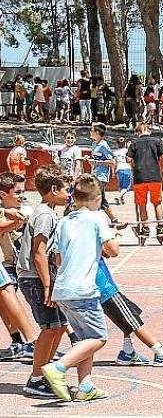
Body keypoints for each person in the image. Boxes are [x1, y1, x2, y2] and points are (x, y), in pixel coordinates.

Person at [42, 174, 118, 402]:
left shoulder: (64, 221)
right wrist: (112, 233)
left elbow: (57, 258)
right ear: (97, 198)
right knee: (98, 337)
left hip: (64, 288)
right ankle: (58, 367)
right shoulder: (97, 218)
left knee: (85, 338)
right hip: (83, 288)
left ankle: (85, 385)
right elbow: (113, 250)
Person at [17, 165, 71, 398]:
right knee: (49, 328)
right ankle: (36, 378)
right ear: (53, 189)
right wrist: (48, 286)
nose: (69, 194)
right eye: (66, 189)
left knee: (59, 326)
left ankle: (46, 372)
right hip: (35, 278)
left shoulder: (50, 212)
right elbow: (38, 253)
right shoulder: (44, 215)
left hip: (44, 277)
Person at [97, 251, 163, 366]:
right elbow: (112, 250)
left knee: (128, 317)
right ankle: (161, 353)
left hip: (98, 287)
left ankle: (128, 353)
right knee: (133, 321)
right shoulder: (90, 239)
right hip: (105, 288)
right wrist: (109, 240)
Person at [0, 172, 37, 362]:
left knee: (6, 294)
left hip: (24, 264)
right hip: (9, 263)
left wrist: (16, 218)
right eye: (17, 192)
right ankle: (28, 342)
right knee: (6, 294)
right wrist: (15, 219)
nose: (21, 196)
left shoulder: (24, 209)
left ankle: (28, 342)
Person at [127, 123, 163, 240]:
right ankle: (160, 226)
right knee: (157, 202)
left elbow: (129, 159)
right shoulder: (157, 142)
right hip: (155, 176)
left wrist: (133, 163)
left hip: (139, 177)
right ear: (148, 131)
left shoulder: (134, 143)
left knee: (141, 204)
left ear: (138, 132)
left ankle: (145, 228)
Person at [86, 123, 125, 228]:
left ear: (97, 133)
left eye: (92, 130)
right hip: (94, 175)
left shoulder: (104, 145)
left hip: (101, 176)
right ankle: (112, 220)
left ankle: (111, 220)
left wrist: (97, 162)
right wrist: (90, 160)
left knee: (98, 198)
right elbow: (95, 159)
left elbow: (112, 161)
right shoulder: (94, 144)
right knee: (99, 198)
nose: (90, 132)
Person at [113, 138, 133, 205]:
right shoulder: (128, 151)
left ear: (117, 144)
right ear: (125, 143)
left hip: (119, 170)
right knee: (126, 187)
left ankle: (121, 199)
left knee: (121, 185)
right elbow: (130, 159)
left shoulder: (115, 152)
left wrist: (113, 172)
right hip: (127, 169)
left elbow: (114, 163)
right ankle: (118, 196)